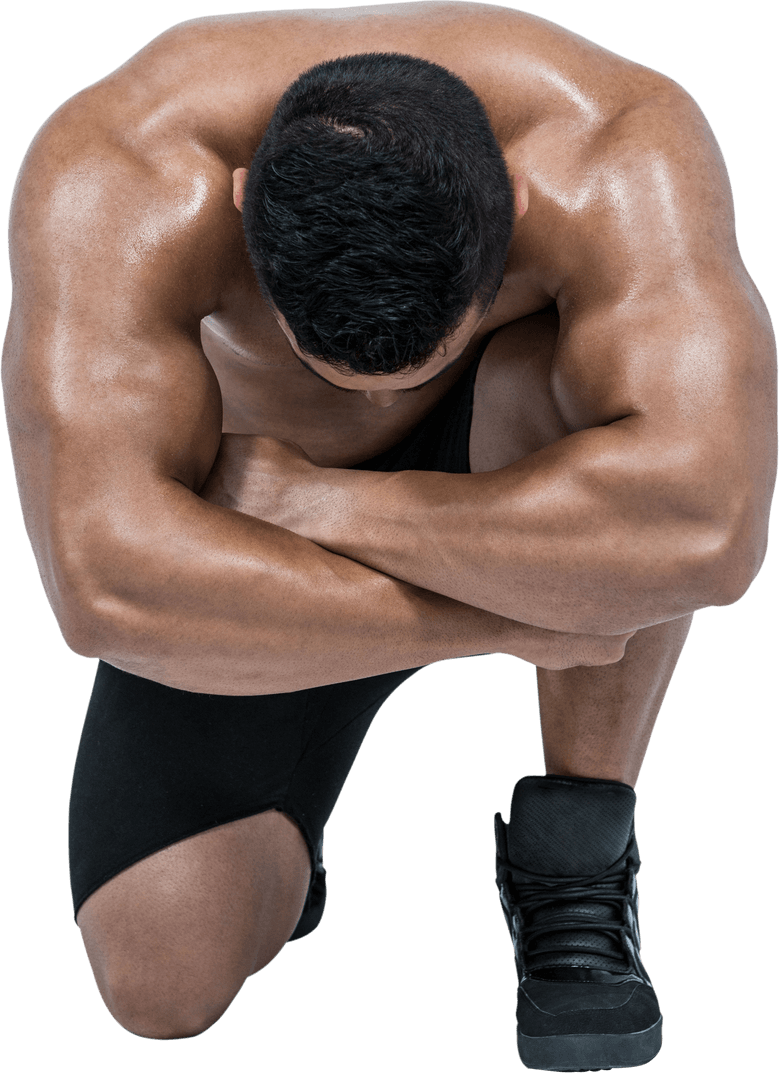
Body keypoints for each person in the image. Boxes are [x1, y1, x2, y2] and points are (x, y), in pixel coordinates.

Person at [3, 2, 775, 1070]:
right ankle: (288, 803)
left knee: (630, 451)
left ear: (509, 214)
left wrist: (328, 504)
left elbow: (708, 528)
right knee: (158, 982)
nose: (373, 400)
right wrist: (500, 625)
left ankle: (576, 850)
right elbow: (105, 591)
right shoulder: (123, 167)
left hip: (391, 480)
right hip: (265, 536)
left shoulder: (612, 149)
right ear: (240, 208)